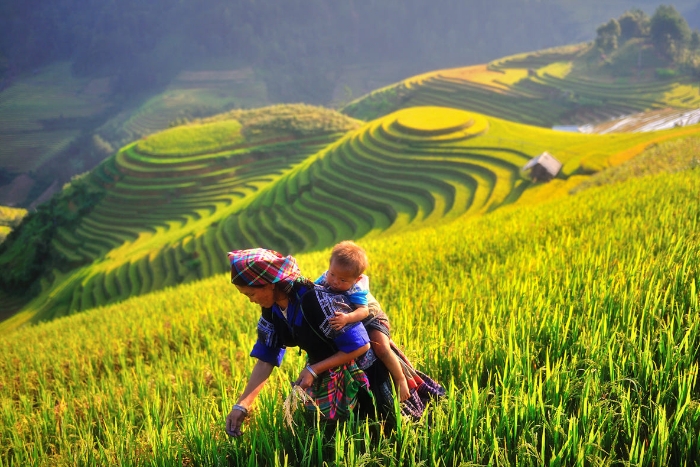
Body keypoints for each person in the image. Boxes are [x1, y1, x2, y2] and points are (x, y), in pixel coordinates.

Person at [225, 248, 444, 438]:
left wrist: (314, 368)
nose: (250, 299)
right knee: (342, 436)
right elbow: (266, 357)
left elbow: (360, 345)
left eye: (250, 293)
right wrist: (242, 405)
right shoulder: (271, 311)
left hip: (365, 372)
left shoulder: (316, 301)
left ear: (270, 285)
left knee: (392, 428)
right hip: (330, 372)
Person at [316, 241, 410, 402]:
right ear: (329, 267)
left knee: (381, 348)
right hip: (355, 323)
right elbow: (314, 289)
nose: (335, 282)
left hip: (372, 319)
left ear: (356, 279)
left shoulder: (356, 289)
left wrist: (346, 318)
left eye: (343, 280)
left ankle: (400, 379)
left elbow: (363, 311)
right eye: (332, 275)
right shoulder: (327, 276)